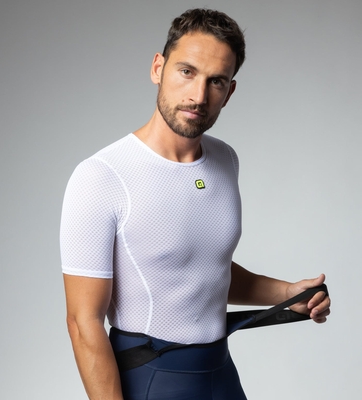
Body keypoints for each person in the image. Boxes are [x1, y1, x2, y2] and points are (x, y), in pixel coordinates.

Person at [60, 8, 331, 400]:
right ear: (158, 68)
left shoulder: (225, 160)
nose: (199, 96)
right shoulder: (102, 176)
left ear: (229, 91)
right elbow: (82, 322)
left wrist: (289, 293)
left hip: (221, 376)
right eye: (186, 71)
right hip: (152, 380)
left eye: (215, 81)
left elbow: (204, 270)